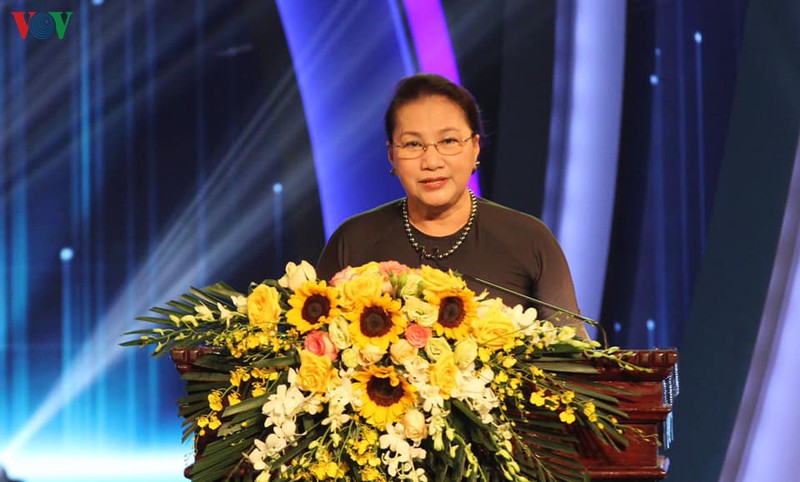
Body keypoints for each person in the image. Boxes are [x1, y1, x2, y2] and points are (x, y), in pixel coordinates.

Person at [316, 73, 589, 339]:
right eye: (413, 144)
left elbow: (573, 354)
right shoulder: (353, 241)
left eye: (448, 141)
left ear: (475, 147)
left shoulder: (529, 240)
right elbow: (310, 346)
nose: (432, 162)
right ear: (392, 155)